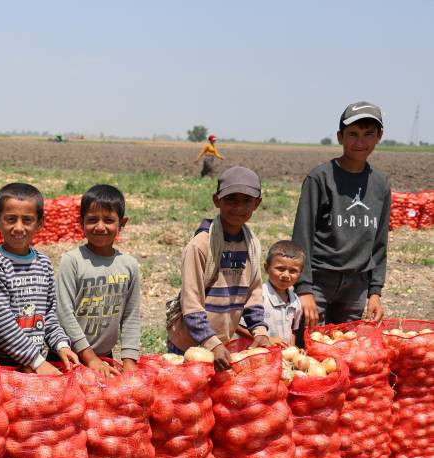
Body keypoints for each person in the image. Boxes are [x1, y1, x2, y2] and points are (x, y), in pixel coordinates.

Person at [291, 101, 389, 328]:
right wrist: (304, 288)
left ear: (379, 136)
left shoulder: (380, 184)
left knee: (346, 346)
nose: (360, 142)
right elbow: (302, 235)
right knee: (310, 346)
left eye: (368, 134)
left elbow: (380, 242)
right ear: (340, 136)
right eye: (353, 134)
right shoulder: (320, 178)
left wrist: (375, 291)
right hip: (319, 280)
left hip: (357, 283)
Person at [167, 166, 271, 370]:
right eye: (231, 199)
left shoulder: (252, 245)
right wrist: (210, 343)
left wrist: (259, 330)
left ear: (257, 203)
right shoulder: (201, 245)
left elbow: (253, 294)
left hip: (220, 343)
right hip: (189, 343)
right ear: (217, 200)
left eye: (246, 201)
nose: (238, 207)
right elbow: (192, 303)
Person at [0, 182, 79, 373]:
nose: (18, 227)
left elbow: (49, 314)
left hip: (32, 361)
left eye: (27, 220)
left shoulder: (44, 264)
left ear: (39, 224)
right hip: (1, 364)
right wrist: (37, 362)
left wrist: (61, 344)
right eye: (11, 219)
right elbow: (1, 325)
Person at [55, 184, 141, 375]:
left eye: (108, 220)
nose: (100, 227)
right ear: (81, 222)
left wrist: (129, 360)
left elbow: (131, 317)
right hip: (71, 357)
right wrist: (90, 358)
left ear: (122, 223)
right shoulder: (72, 261)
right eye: (92, 220)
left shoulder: (129, 265)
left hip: (104, 356)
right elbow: (64, 313)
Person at [238, 241, 306, 346]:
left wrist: (291, 350)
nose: (286, 275)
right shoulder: (258, 296)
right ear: (266, 268)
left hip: (281, 357)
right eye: (280, 269)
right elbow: (237, 325)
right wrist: (266, 338)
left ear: (300, 273)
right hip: (256, 354)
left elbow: (292, 331)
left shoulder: (295, 301)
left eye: (293, 271)